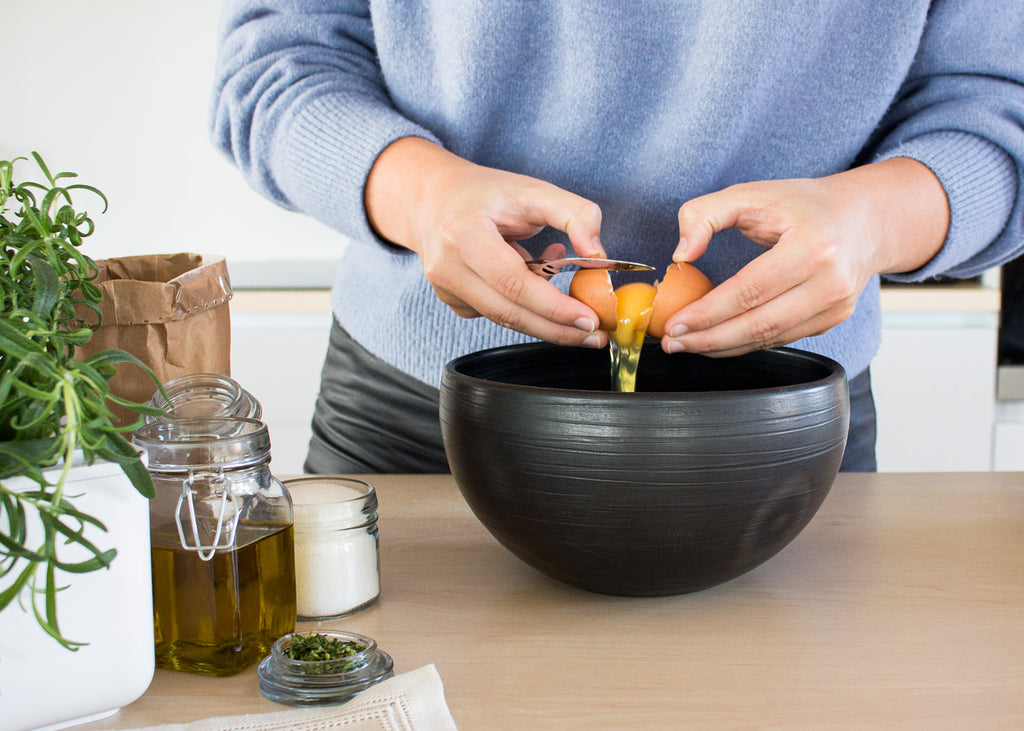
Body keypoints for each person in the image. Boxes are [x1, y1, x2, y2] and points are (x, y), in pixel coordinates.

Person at [210, 1, 1024, 473]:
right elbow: (278, 63)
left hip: (778, 422)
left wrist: (875, 219)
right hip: (424, 416)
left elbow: (998, 111)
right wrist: (423, 195)